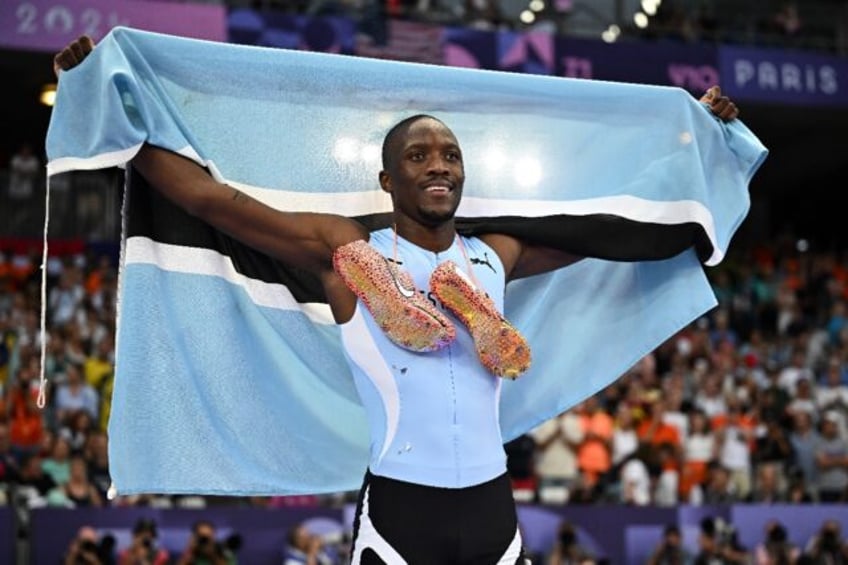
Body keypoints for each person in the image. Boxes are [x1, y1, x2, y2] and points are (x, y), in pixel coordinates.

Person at [55, 35, 740, 563]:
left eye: (449, 154)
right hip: (401, 508)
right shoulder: (343, 248)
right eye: (419, 155)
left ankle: (450, 309)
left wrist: (696, 150)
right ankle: (399, 298)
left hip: (492, 504)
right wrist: (108, 106)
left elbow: (611, 225)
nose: (439, 163)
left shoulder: (495, 253)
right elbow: (214, 201)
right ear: (387, 177)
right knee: (360, 265)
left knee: (589, 236)